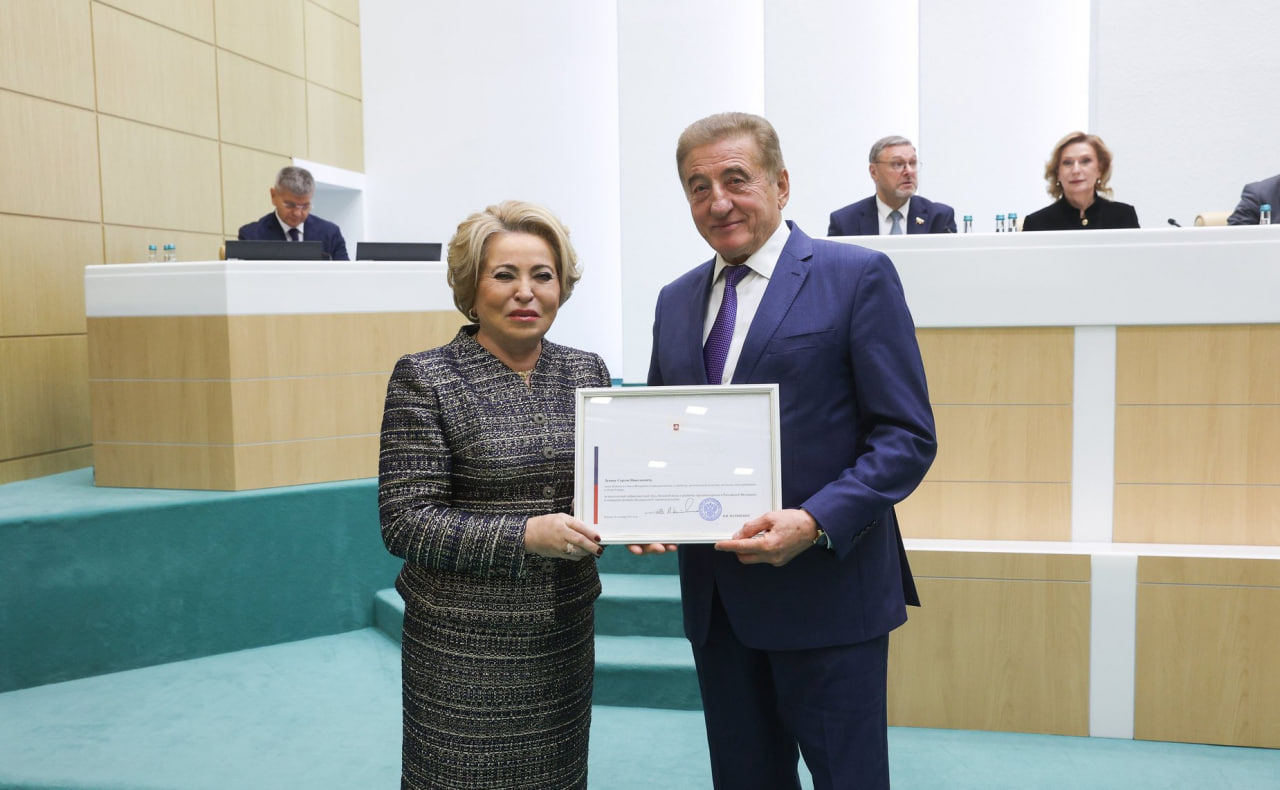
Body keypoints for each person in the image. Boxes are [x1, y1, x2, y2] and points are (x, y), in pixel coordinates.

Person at [642, 112, 937, 790]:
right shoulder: (675, 300)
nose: (718, 202)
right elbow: (667, 431)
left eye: (736, 180)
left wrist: (814, 520)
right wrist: (650, 504)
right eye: (698, 187)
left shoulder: (856, 275)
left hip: (827, 592)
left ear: (780, 184)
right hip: (719, 606)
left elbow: (906, 436)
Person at [378, 200, 610, 789]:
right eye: (505, 275)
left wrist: (641, 519)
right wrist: (524, 536)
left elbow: (606, 487)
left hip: (563, 633)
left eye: (543, 275)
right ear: (471, 287)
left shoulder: (587, 372)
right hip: (463, 646)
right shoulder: (426, 377)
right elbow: (405, 521)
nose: (525, 292)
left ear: (562, 286)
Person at [827, 135, 956, 236]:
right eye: (897, 164)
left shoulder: (939, 218)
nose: (909, 171)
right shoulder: (845, 222)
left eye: (912, 163)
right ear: (874, 172)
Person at [1022, 132, 1139, 231]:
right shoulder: (1036, 223)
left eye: (1085, 161)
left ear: (1100, 169)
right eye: (1068, 163)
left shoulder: (1124, 216)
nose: (1076, 170)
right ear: (1057, 173)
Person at [237, 166, 349, 259]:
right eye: (289, 205)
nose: (297, 213)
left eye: (305, 206)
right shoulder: (251, 236)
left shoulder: (330, 233)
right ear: (273, 196)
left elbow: (346, 276)